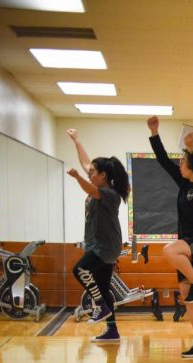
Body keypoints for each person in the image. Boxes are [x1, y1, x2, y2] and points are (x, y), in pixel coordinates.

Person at [147, 116, 193, 358]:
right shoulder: (183, 185)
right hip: (187, 245)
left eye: (183, 161)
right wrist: (154, 133)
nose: (180, 164)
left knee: (169, 250)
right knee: (188, 298)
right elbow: (163, 161)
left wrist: (191, 148)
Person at [66, 129, 128, 343]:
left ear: (103, 175)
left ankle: (100, 306)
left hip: (106, 246)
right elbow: (85, 164)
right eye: (89, 171)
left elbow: (90, 189)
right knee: (102, 288)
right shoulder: (99, 183)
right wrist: (77, 139)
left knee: (79, 269)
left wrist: (76, 178)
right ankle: (112, 331)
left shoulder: (110, 194)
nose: (89, 173)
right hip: (97, 245)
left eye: (93, 172)